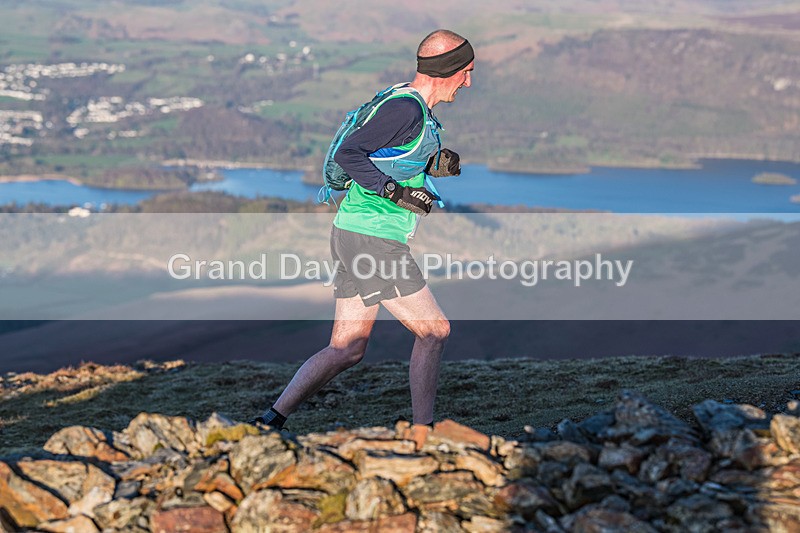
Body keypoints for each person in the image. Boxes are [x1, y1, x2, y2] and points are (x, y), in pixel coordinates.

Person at [251, 29, 474, 430]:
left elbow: (385, 153)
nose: (469, 81)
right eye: (467, 71)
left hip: (354, 233)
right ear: (447, 70)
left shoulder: (407, 102)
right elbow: (349, 153)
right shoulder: (405, 109)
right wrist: (395, 192)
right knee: (435, 332)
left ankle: (272, 418)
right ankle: (423, 435)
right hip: (372, 239)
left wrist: (428, 163)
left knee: (346, 349)